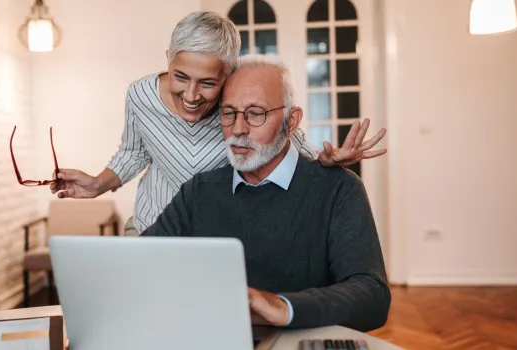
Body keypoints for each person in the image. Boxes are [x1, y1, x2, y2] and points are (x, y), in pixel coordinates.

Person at [51, 11, 387, 236]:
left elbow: (286, 137)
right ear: (168, 57)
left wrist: (324, 161)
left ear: (229, 73)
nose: (192, 95)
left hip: (218, 233)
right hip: (152, 227)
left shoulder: (237, 104)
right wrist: (97, 184)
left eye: (208, 83)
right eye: (180, 76)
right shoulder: (140, 95)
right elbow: (133, 153)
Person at [138, 54, 390, 332]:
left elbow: (372, 296)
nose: (238, 129)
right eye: (228, 112)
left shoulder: (338, 189)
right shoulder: (199, 191)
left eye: (255, 113)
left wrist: (283, 307)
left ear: (291, 121)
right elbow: (141, 264)